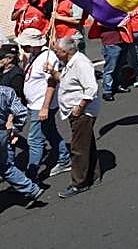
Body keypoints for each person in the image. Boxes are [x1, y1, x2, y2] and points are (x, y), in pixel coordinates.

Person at [47, 34, 100, 197]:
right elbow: (65, 80)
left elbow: (91, 88)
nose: (55, 53)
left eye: (57, 51)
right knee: (87, 142)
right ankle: (93, 173)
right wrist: (53, 72)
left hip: (82, 112)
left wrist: (80, 107)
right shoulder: (70, 63)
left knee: (78, 148)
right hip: (75, 110)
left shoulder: (81, 63)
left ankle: (79, 183)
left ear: (65, 51)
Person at [16, 28, 71, 182]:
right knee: (50, 131)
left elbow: (51, 84)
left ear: (34, 45)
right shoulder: (34, 56)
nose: (23, 48)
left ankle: (31, 176)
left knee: (34, 140)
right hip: (34, 103)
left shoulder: (49, 58)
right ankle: (64, 158)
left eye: (26, 45)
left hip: (41, 105)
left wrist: (45, 107)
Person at [0, 64, 44, 207]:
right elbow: (21, 112)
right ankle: (31, 189)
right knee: (4, 165)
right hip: (2, 133)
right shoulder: (6, 92)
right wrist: (14, 129)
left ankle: (30, 188)